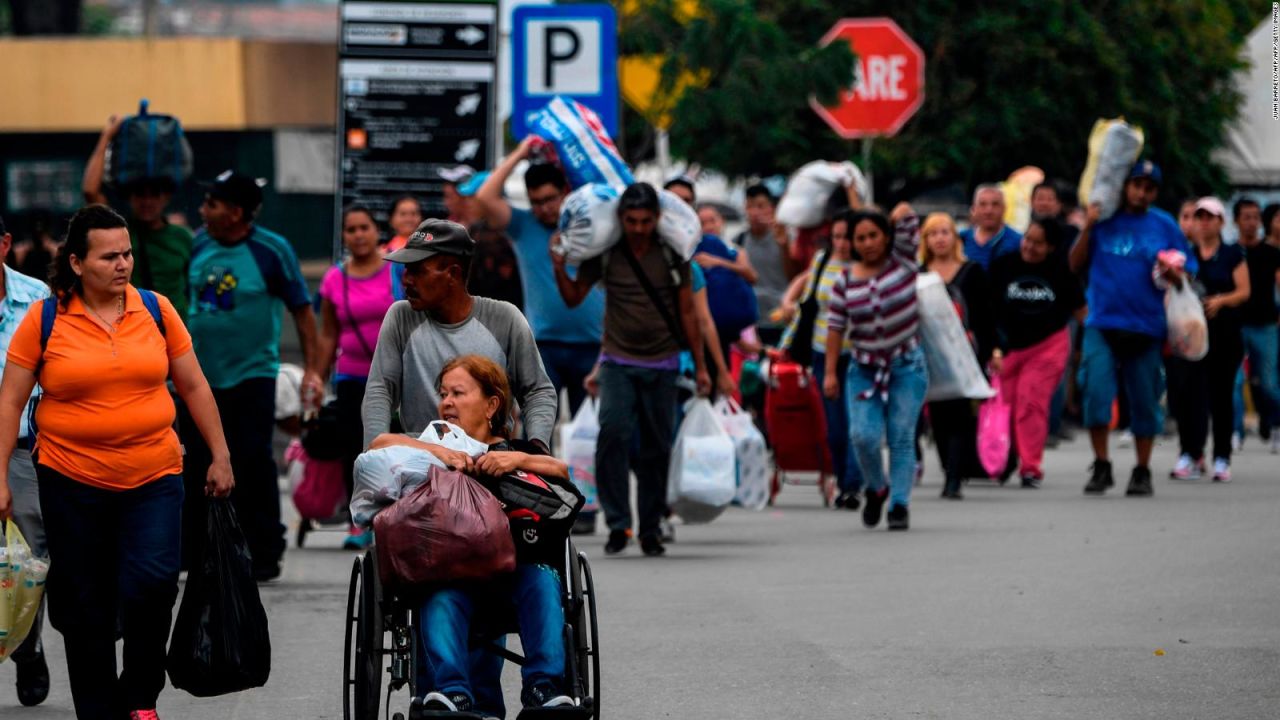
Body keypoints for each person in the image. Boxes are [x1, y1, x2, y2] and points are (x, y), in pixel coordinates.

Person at [0, 204, 234, 720]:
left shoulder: (155, 309)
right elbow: (11, 402)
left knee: (153, 584)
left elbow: (193, 384)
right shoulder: (45, 319)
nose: (123, 264)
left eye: (127, 253)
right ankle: (98, 707)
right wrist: (0, 479)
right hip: (70, 481)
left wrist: (220, 454)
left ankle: (141, 691)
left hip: (153, 476)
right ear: (79, 263)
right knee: (85, 603)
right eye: (109, 256)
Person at [364, 355, 583, 715]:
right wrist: (439, 452)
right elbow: (378, 444)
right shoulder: (432, 441)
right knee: (439, 592)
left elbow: (560, 470)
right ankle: (452, 693)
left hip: (514, 575)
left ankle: (544, 689)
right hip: (452, 574)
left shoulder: (515, 450)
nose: (446, 401)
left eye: (458, 393)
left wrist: (516, 461)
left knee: (544, 578)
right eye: (443, 393)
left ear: (491, 404)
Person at [554, 183, 709, 556]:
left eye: (645, 221)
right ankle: (619, 524)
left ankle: (651, 527)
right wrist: (559, 265)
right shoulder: (607, 254)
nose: (638, 227)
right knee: (613, 435)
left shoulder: (673, 256)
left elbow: (689, 313)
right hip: (618, 362)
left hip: (664, 362)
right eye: (631, 221)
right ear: (621, 220)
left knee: (656, 447)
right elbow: (574, 297)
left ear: (656, 220)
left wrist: (702, 368)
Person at [183, 170, 317, 581]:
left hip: (252, 375)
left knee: (251, 462)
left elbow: (302, 309)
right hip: (198, 380)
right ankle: (196, 550)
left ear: (237, 212)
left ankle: (262, 551)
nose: (203, 211)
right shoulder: (199, 244)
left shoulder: (272, 250)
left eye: (212, 204)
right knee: (194, 464)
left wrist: (313, 369)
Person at [362, 218, 558, 452]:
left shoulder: (505, 318)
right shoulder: (400, 317)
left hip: (490, 461)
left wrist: (535, 449)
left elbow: (538, 391)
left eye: (417, 271)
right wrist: (373, 454)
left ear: (453, 274)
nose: (406, 280)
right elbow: (380, 390)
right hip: (420, 457)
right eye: (406, 270)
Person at [1068, 160, 1195, 496]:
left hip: (1146, 327)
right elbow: (1073, 264)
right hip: (1103, 322)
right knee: (1095, 394)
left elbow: (1187, 272)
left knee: (1144, 401)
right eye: (1136, 185)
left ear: (1155, 192)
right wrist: (1088, 227)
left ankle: (1142, 469)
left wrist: (1174, 274)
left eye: (1149, 188)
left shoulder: (1165, 225)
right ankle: (1102, 464)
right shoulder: (1104, 219)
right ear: (1125, 186)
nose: (1141, 193)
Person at [476, 141, 605, 433]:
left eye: (550, 199)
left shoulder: (591, 224)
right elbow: (485, 198)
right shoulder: (523, 225)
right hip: (543, 347)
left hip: (593, 345)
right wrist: (520, 153)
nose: (544, 208)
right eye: (536, 201)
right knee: (537, 432)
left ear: (566, 193)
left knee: (592, 436)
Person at [822, 204, 926, 531]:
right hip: (864, 369)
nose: (867, 243)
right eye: (860, 238)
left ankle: (899, 504)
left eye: (873, 235)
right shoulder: (844, 281)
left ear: (886, 237)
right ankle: (877, 487)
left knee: (900, 437)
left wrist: (893, 215)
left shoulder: (904, 262)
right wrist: (828, 374)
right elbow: (835, 328)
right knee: (863, 437)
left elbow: (909, 217)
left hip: (906, 365)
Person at [304, 205, 399, 550]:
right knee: (354, 449)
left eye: (364, 228)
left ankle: (399, 518)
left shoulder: (396, 269)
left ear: (377, 232)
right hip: (352, 378)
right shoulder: (335, 278)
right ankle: (359, 520)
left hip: (396, 377)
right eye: (351, 229)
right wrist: (316, 374)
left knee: (400, 446)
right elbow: (328, 333)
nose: (358, 235)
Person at [989, 216, 1086, 488]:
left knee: (1030, 402)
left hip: (1048, 345)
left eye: (1038, 243)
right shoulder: (1004, 266)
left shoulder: (1060, 271)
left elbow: (1081, 312)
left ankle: (1030, 466)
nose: (1029, 247)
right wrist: (993, 347)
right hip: (1008, 349)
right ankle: (1007, 457)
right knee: (1004, 406)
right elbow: (988, 312)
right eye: (1027, 239)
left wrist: (1087, 348)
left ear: (1051, 247)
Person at [0, 212, 52, 706]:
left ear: (5, 245)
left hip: (23, 451)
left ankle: (26, 644)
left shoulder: (37, 298)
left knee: (26, 558)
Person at [777, 210, 863, 508]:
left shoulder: (869, 266)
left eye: (848, 237)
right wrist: (787, 341)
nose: (842, 243)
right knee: (835, 427)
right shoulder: (822, 261)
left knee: (856, 423)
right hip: (822, 352)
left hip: (858, 354)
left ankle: (853, 485)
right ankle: (841, 478)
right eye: (837, 237)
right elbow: (807, 307)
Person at [1166, 198, 1249, 482]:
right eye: (1199, 216)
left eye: (1209, 217)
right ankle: (1190, 453)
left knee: (1221, 398)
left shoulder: (1231, 255)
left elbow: (1243, 291)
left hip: (1225, 337)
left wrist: (1221, 301)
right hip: (1192, 339)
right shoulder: (1186, 255)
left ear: (1220, 222)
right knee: (1189, 397)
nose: (1203, 222)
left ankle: (1222, 457)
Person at [83, 114, 194, 320]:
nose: (147, 202)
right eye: (140, 195)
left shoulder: (183, 238)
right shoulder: (118, 233)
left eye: (154, 195)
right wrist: (107, 136)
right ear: (129, 197)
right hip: (131, 333)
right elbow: (90, 191)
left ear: (166, 197)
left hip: (176, 338)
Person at [919, 212, 995, 499]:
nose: (940, 238)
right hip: (931, 356)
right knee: (938, 416)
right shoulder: (920, 273)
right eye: (933, 233)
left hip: (966, 354)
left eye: (945, 232)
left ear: (955, 237)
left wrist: (990, 352)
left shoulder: (972, 271)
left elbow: (985, 317)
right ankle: (949, 466)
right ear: (925, 240)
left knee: (962, 414)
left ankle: (953, 478)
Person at [1232, 198, 1280, 453]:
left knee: (1269, 383)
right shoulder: (1230, 252)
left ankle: (1275, 425)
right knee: (1234, 381)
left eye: (1255, 217)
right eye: (1246, 216)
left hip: (1265, 326)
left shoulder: (1271, 253)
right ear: (1236, 221)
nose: (1251, 222)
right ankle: (1235, 432)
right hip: (1235, 326)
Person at [734, 184, 794, 319]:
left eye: (760, 206)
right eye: (750, 206)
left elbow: (794, 276)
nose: (754, 212)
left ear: (772, 209)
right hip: (749, 320)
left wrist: (784, 247)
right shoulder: (738, 241)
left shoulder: (786, 239)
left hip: (780, 316)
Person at [960, 185, 1023, 271]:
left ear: (1004, 208)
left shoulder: (1019, 242)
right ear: (974, 209)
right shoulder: (960, 240)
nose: (989, 210)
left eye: (995, 204)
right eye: (982, 204)